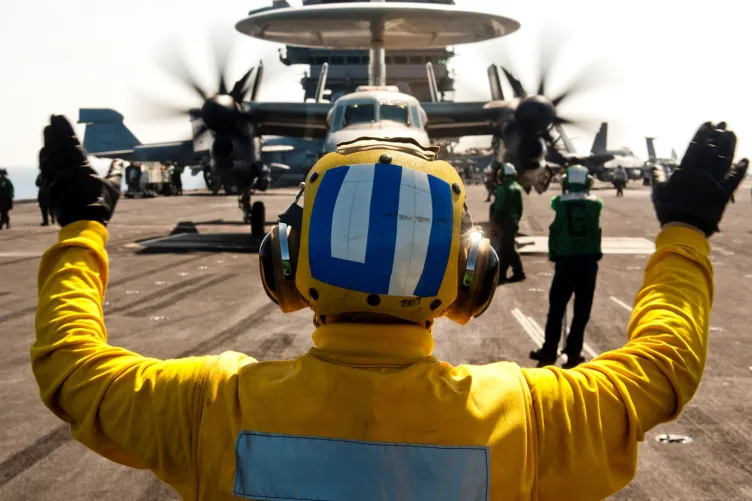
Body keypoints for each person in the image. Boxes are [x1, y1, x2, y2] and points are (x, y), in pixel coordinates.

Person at [32, 115, 747, 501]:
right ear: (469, 276)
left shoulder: (210, 407)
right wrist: (683, 231)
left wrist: (82, 223)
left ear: (285, 263)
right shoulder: (527, 420)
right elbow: (661, 370)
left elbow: (72, 369)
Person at [530, 165, 602, 369]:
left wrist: (554, 254)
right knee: (582, 310)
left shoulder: (558, 203)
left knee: (556, 308)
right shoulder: (595, 203)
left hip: (566, 261)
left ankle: (549, 349)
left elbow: (555, 230)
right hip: (588, 262)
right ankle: (573, 352)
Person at [492, 162, 525, 284]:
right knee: (508, 248)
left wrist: (495, 221)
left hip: (505, 221)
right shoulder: (517, 186)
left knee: (506, 249)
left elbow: (498, 207)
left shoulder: (502, 188)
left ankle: (514, 273)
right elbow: (520, 207)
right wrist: (517, 219)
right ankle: (509, 273)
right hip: (513, 220)